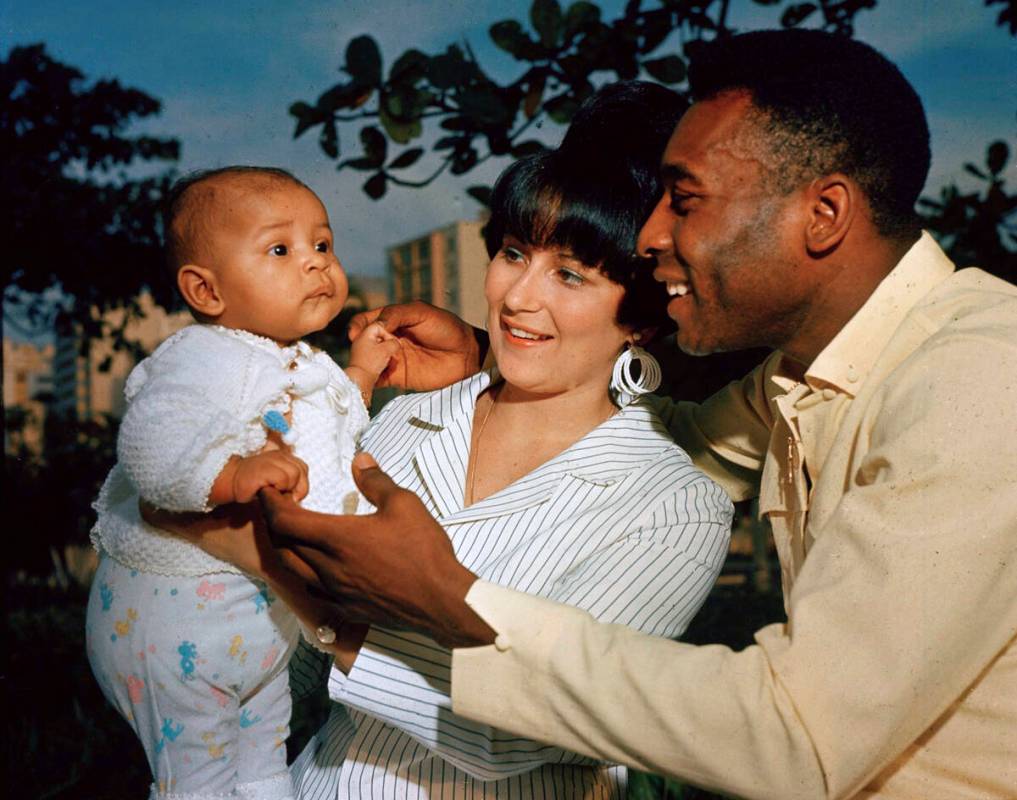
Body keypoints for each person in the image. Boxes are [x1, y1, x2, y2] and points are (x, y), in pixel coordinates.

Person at [253, 29, 1017, 800]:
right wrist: (495, 357)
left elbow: (797, 739)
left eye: (684, 202)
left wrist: (447, 598)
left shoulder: (982, 375)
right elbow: (632, 436)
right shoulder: (801, 378)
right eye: (514, 254)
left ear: (821, 214)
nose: (651, 237)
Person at [282, 82, 733, 797]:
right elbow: (291, 675)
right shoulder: (402, 420)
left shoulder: (672, 505)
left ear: (641, 319)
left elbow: (524, 735)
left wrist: (324, 610)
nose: (519, 296)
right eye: (514, 252)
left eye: (571, 275)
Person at [85, 166, 397, 800]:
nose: (315, 264)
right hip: (176, 618)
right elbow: (149, 446)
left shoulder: (297, 360)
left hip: (252, 622)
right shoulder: (201, 358)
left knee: (262, 761)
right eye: (281, 249)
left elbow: (326, 428)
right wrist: (232, 475)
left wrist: (360, 373)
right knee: (197, 779)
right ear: (205, 290)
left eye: (323, 245)